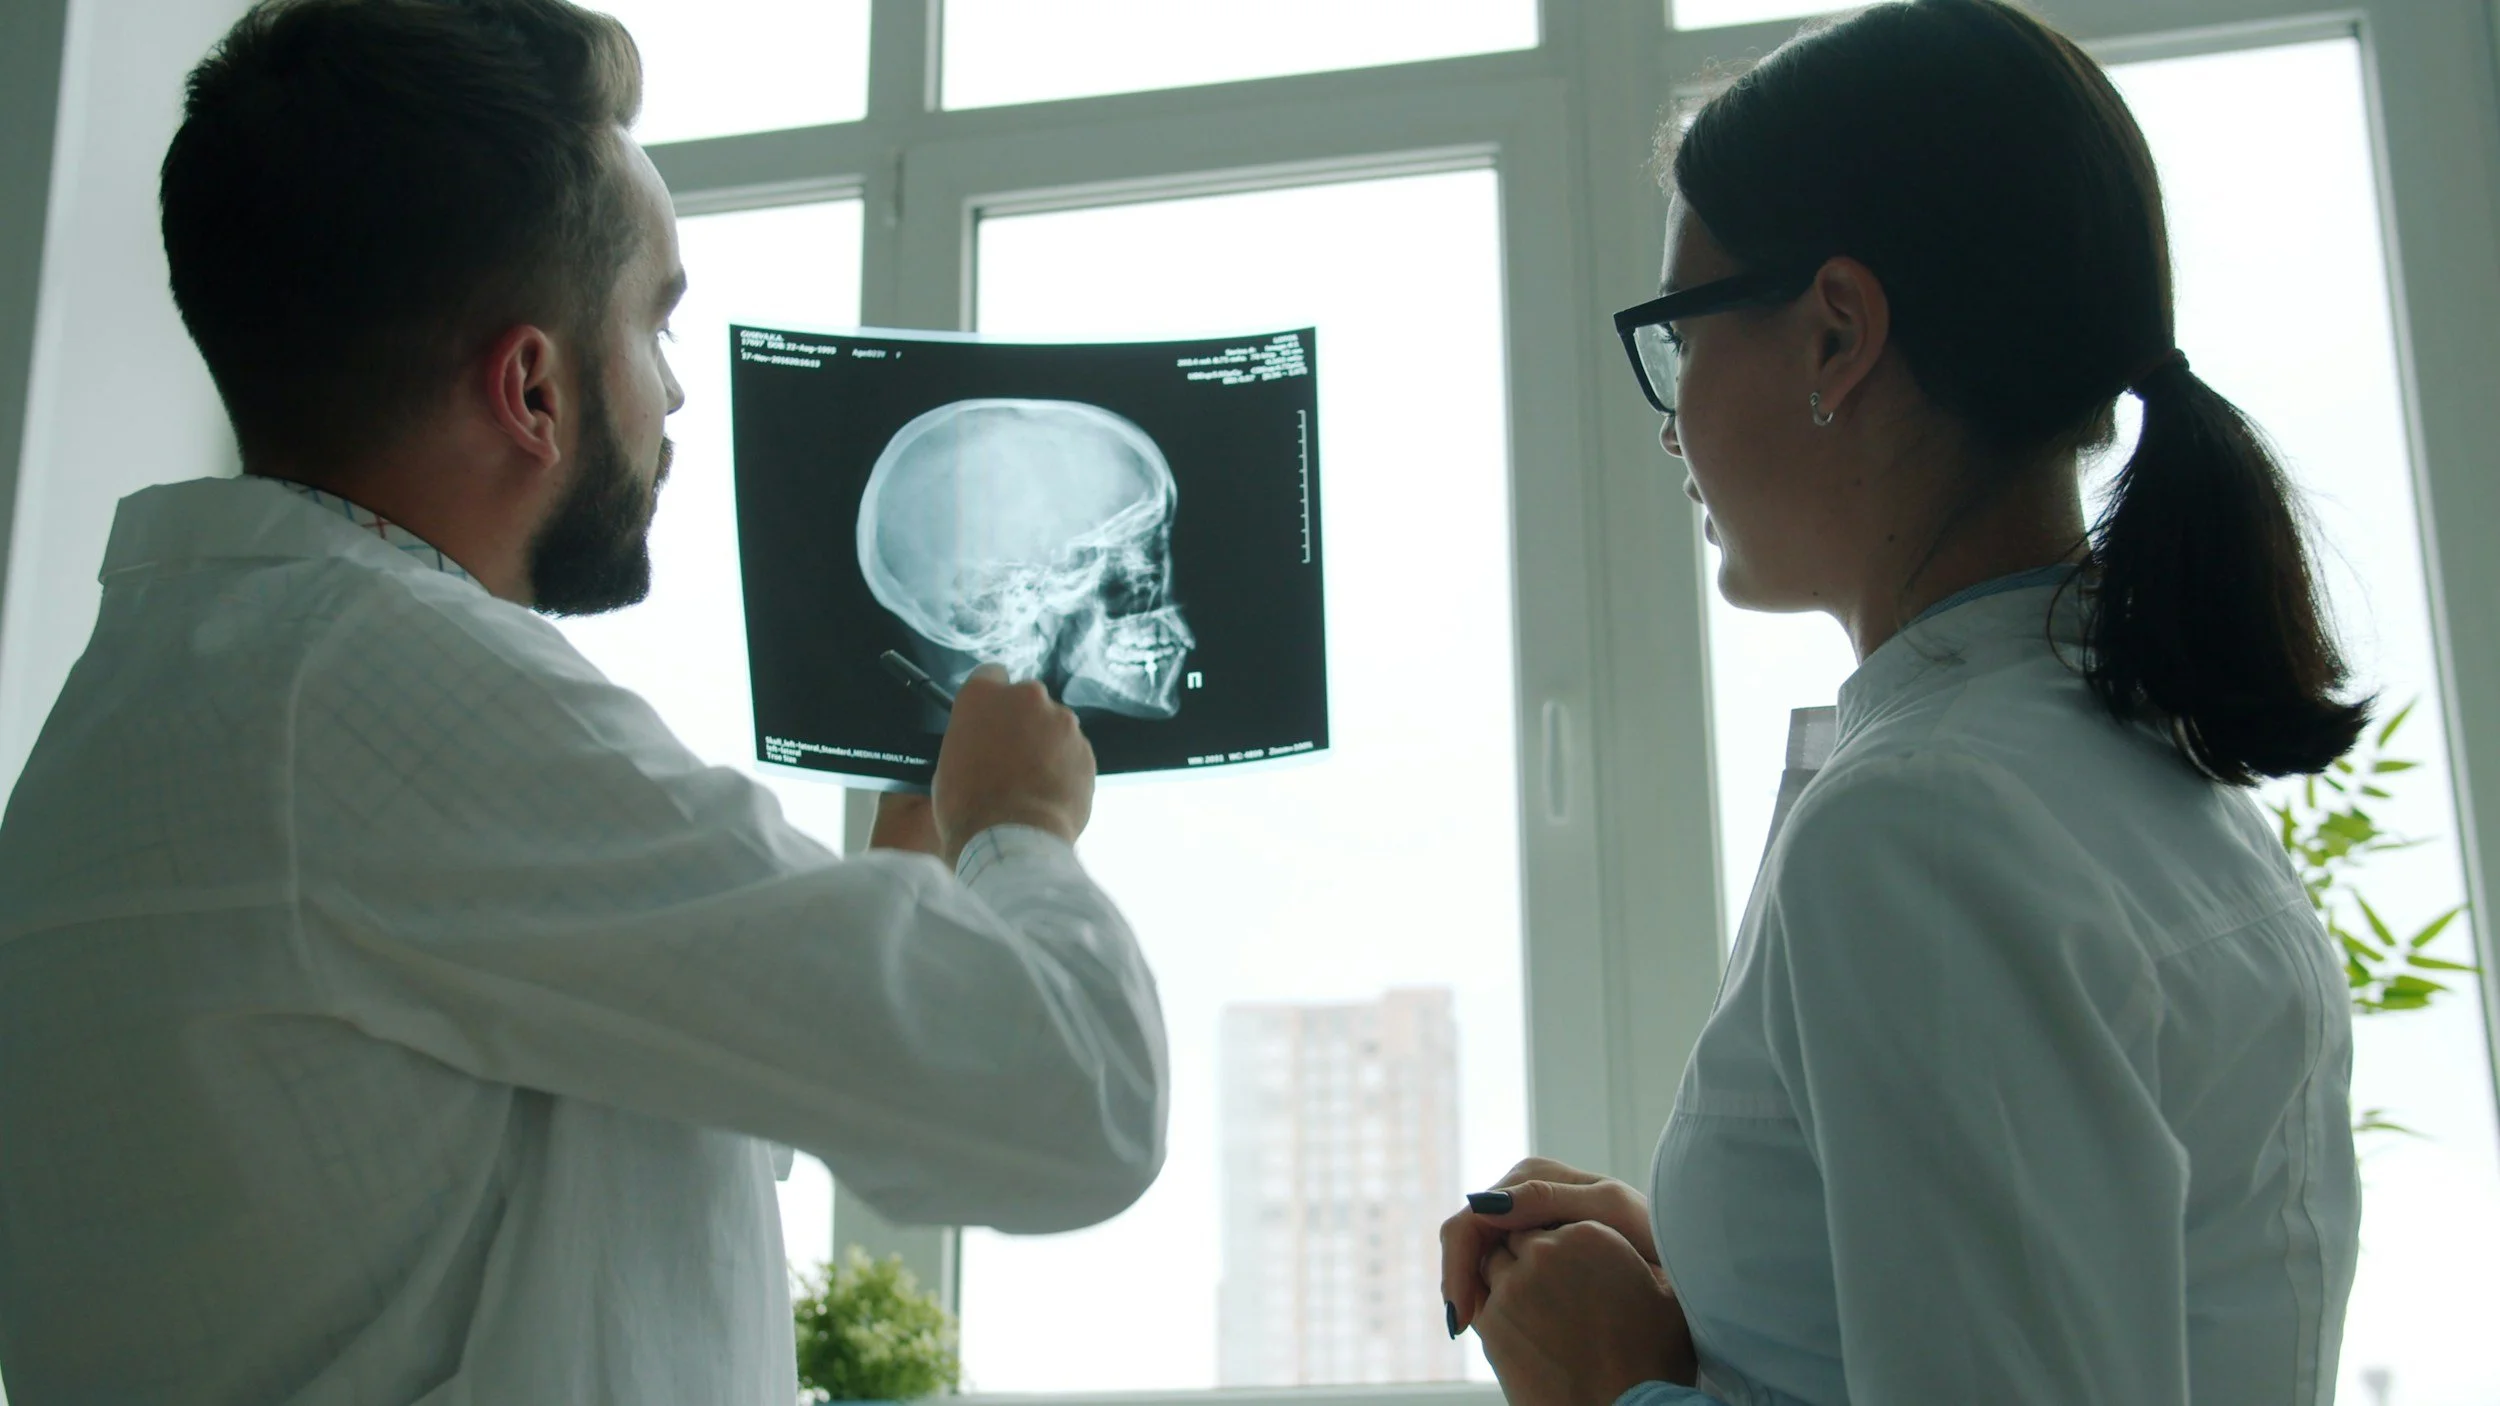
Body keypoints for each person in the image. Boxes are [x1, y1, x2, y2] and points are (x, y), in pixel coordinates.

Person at [0, 1, 1166, 1401]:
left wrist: (901, 881)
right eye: (655, 321)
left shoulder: (176, 697)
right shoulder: (390, 696)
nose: (674, 395)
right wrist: (1021, 826)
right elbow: (1072, 1100)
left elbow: (585, 1108)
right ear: (534, 386)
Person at [1440, 2, 2362, 1402]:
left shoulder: (1925, 824)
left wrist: (1620, 1388)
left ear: (1835, 336)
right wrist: (1723, 1287)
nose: (1670, 411)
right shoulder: (2143, 778)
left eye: (1682, 336)